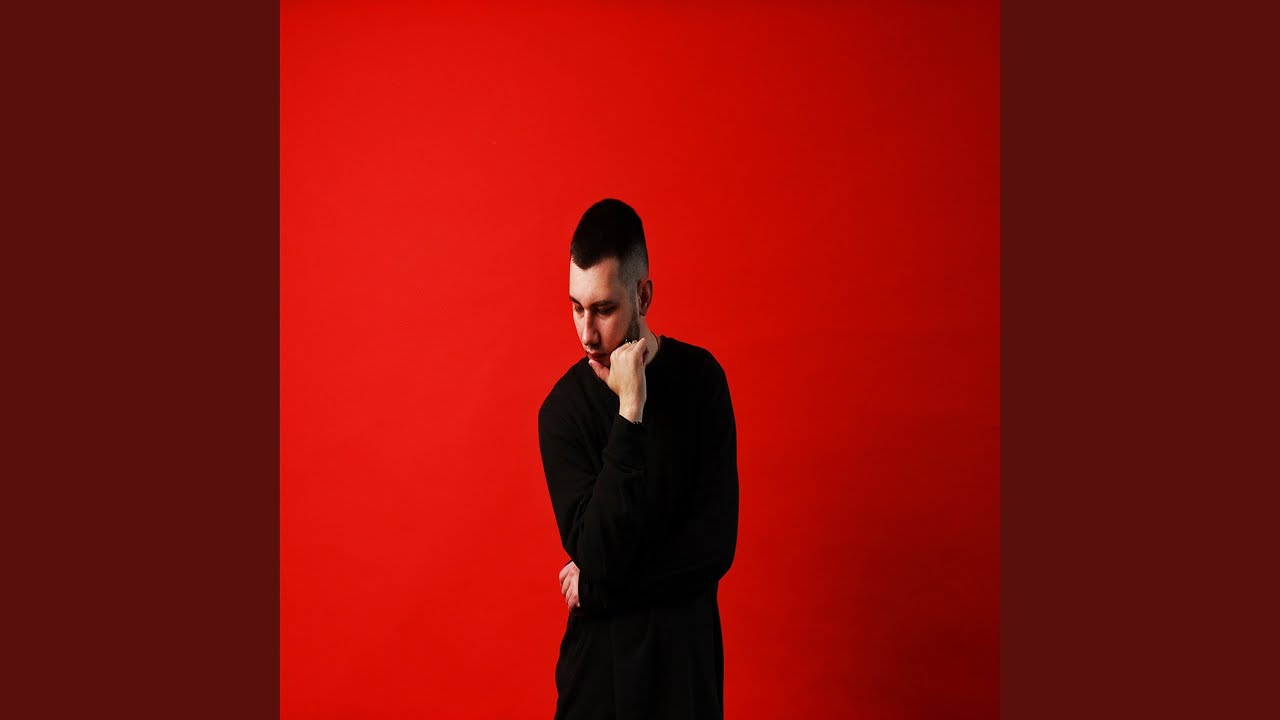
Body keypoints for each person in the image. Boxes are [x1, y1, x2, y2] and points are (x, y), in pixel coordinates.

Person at [538, 198, 740, 719]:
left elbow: (713, 549)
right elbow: (599, 551)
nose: (587, 334)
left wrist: (597, 588)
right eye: (576, 307)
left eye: (604, 309)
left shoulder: (701, 383)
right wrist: (629, 414)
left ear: (643, 295)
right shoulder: (561, 413)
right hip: (597, 686)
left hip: (685, 681)